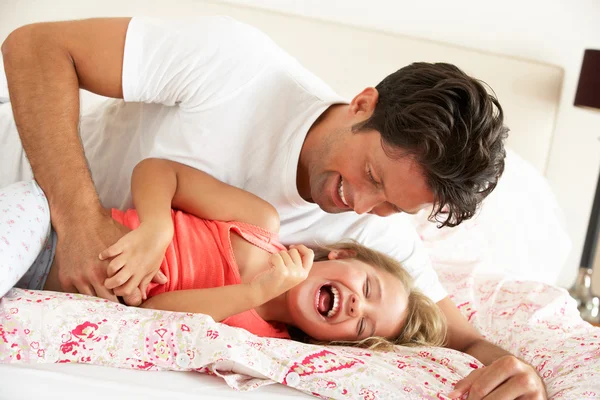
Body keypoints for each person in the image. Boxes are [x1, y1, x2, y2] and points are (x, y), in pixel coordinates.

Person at [0, 16, 545, 399]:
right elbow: (34, 46)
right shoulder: (236, 66)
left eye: (391, 207)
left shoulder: (369, 251)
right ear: (363, 105)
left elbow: (461, 337)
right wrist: (77, 220)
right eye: (372, 175)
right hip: (19, 183)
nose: (358, 203)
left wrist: (518, 375)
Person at [0, 158, 447, 348]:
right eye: (367, 286)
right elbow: (160, 171)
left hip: (42, 294)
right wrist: (156, 228)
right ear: (341, 253)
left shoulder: (262, 340)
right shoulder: (258, 225)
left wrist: (257, 292)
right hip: (46, 229)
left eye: (362, 323)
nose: (355, 303)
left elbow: (157, 312)